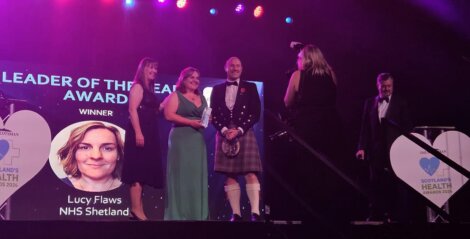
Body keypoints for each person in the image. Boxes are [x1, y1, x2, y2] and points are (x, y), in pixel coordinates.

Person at [283, 44, 345, 222]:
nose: (297, 61)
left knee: (308, 170)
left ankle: (310, 214)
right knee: (329, 169)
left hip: (307, 127)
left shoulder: (298, 75)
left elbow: (287, 102)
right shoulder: (331, 74)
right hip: (332, 126)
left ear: (306, 59)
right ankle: (332, 213)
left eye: (299, 58)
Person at [210, 57, 262, 222]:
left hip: (244, 131)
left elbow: (255, 113)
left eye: (238, 65)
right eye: (232, 65)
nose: (235, 68)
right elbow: (214, 115)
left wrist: (239, 130)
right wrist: (225, 130)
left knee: (250, 172)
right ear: (226, 68)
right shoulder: (217, 89)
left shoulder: (250, 87)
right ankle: (236, 214)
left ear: (242, 68)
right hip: (225, 133)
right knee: (230, 174)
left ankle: (255, 213)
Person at [356, 73, 413, 222]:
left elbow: (407, 126)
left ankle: (400, 216)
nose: (386, 89)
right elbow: (365, 128)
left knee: (398, 184)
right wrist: (361, 147)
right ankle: (375, 214)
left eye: (389, 86)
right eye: (384, 86)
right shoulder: (369, 103)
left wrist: (406, 147)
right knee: (375, 183)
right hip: (376, 150)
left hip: (396, 149)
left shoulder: (401, 103)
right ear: (378, 86)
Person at [121, 57, 164, 221]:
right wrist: (138, 132)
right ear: (142, 69)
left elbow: (156, 109)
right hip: (139, 133)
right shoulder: (138, 87)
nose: (154, 71)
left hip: (149, 132)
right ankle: (135, 209)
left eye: (155, 68)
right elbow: (132, 110)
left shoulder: (149, 90)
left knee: (143, 171)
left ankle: (138, 209)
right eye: (150, 68)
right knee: (137, 171)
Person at [163, 67, 209, 220]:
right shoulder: (176, 95)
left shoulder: (202, 97)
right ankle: (179, 215)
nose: (195, 80)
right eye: (191, 77)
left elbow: (204, 117)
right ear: (183, 79)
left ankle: (198, 215)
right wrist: (190, 122)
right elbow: (168, 115)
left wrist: (207, 120)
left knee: (196, 176)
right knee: (181, 175)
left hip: (197, 140)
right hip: (181, 139)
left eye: (197, 77)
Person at [58, 121, 124, 192]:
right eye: (85, 147)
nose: (96, 156)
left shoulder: (131, 189)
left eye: (107, 148)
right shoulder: (55, 186)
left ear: (118, 154)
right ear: (73, 153)